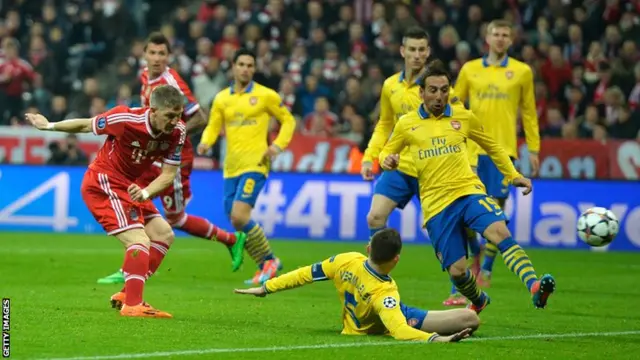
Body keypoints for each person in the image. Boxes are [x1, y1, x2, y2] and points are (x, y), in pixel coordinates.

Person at [379, 61, 555, 313]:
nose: (439, 96)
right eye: (432, 90)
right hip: (437, 205)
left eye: (444, 90)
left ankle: (534, 285)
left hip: (468, 191)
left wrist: (513, 174)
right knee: (457, 271)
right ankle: (479, 300)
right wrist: (387, 160)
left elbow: (493, 146)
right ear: (421, 93)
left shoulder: (463, 116)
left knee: (499, 231)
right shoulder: (407, 124)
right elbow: (387, 150)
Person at [24, 85, 190, 318]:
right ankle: (134, 306)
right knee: (139, 240)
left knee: (163, 234)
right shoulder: (125, 118)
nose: (175, 121)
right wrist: (48, 125)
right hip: (103, 182)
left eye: (178, 114)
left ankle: (126, 294)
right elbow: (86, 124)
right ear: (153, 110)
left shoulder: (178, 131)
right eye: (169, 116)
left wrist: (145, 193)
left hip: (131, 187)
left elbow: (168, 175)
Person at [97, 32, 245, 285]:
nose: (156, 58)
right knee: (136, 195)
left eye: (162, 54)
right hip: (152, 153)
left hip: (173, 159)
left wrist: (171, 138)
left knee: (173, 217)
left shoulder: (171, 83)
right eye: (152, 53)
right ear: (144, 54)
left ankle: (231, 239)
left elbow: (200, 116)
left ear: (169, 57)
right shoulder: (145, 75)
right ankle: (128, 268)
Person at [359, 26, 482, 307]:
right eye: (411, 49)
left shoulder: (438, 90)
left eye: (421, 50)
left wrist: (470, 163)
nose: (416, 55)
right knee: (375, 217)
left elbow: (463, 125)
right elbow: (385, 124)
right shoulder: (391, 85)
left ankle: (460, 285)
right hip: (401, 168)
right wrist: (371, 156)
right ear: (403, 51)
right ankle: (375, 279)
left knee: (444, 233)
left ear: (428, 53)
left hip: (434, 171)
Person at [235, 228, 476, 342]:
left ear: (368, 249)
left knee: (466, 319)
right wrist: (439, 339)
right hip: (394, 315)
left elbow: (304, 274)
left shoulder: (346, 260)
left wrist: (266, 287)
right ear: (396, 260)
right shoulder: (385, 291)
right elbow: (400, 331)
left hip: (354, 323)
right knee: (471, 319)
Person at [197, 48, 296, 285]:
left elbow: (288, 120)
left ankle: (269, 261)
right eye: (241, 64)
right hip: (231, 167)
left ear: (254, 69)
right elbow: (213, 126)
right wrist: (205, 143)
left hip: (256, 163)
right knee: (234, 218)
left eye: (250, 65)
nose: (246, 69)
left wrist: (277, 146)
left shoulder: (266, 96)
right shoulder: (222, 98)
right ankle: (266, 264)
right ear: (233, 66)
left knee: (240, 216)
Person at [454, 20, 540, 288]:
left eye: (505, 34)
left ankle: (487, 269)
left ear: (511, 40)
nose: (500, 39)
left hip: (503, 151)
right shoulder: (470, 70)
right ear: (487, 37)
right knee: (465, 210)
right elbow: (455, 106)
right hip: (470, 151)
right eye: (496, 34)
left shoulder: (522, 71)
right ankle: (474, 251)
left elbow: (528, 111)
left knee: (497, 211)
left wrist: (534, 148)